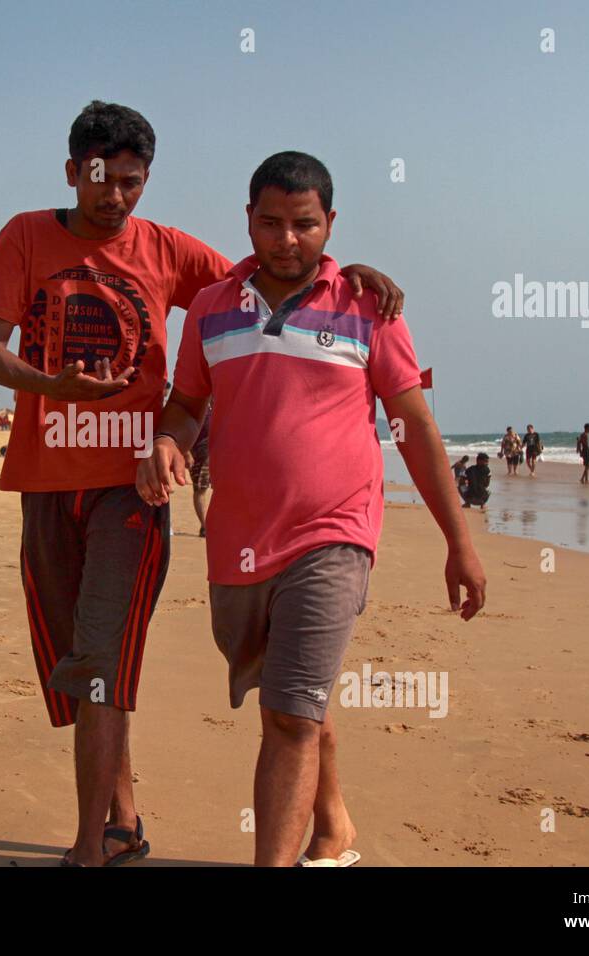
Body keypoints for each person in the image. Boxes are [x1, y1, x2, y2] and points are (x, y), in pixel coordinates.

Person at [0, 102, 405, 868]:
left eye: (133, 183)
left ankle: (86, 850)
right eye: (101, 180)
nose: (115, 198)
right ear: (73, 171)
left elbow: (270, 270)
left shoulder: (166, 250)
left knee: (103, 662)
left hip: (132, 488)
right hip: (43, 481)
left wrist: (350, 274)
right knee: (80, 669)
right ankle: (129, 823)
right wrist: (53, 386)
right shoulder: (25, 236)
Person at [138, 151, 484, 867]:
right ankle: (334, 827)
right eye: (270, 223)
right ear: (248, 221)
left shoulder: (368, 308)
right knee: (293, 693)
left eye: (304, 224)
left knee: (290, 715)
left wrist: (460, 540)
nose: (286, 240)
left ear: (331, 224)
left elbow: (413, 426)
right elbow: (186, 406)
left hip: (335, 534)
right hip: (236, 541)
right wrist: (167, 444)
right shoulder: (211, 309)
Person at [189, 399, 212, 537]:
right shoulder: (193, 404)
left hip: (214, 449)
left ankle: (209, 525)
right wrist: (186, 453)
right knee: (201, 489)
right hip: (200, 451)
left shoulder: (211, 404)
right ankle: (205, 527)